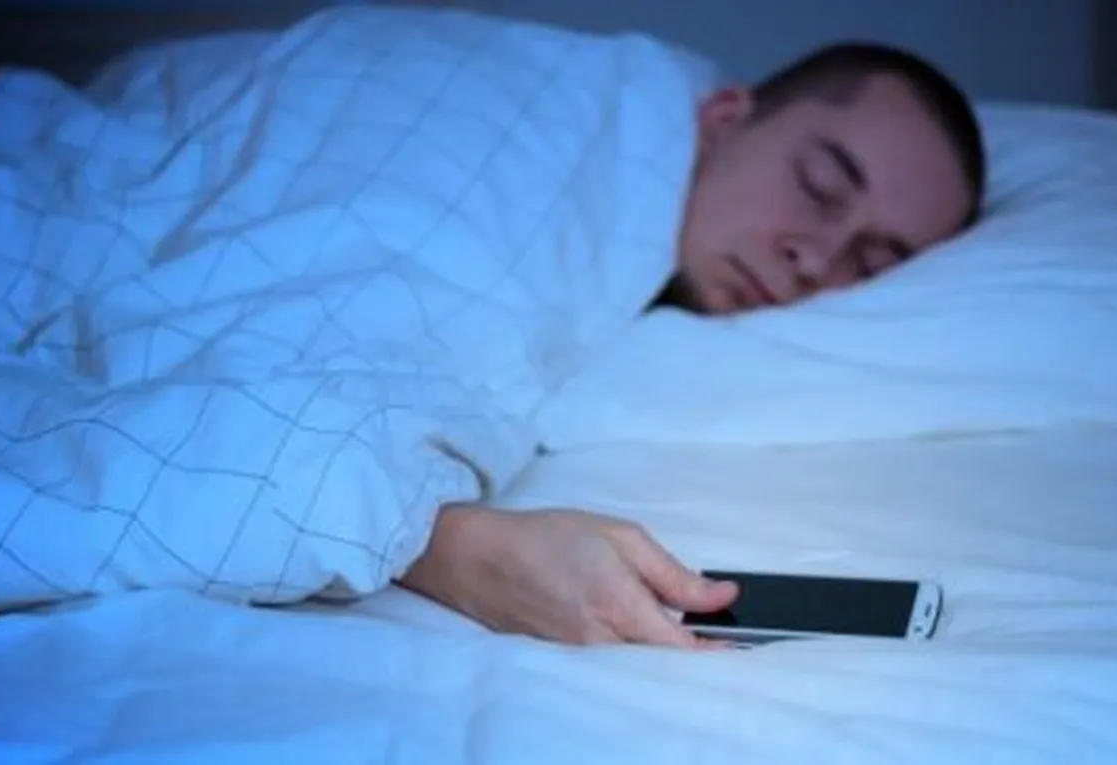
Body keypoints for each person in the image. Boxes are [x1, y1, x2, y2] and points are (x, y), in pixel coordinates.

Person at [399, 41, 986, 648]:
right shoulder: (542, 159)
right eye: (819, 187)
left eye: (870, 262)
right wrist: (465, 555)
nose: (816, 259)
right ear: (725, 118)